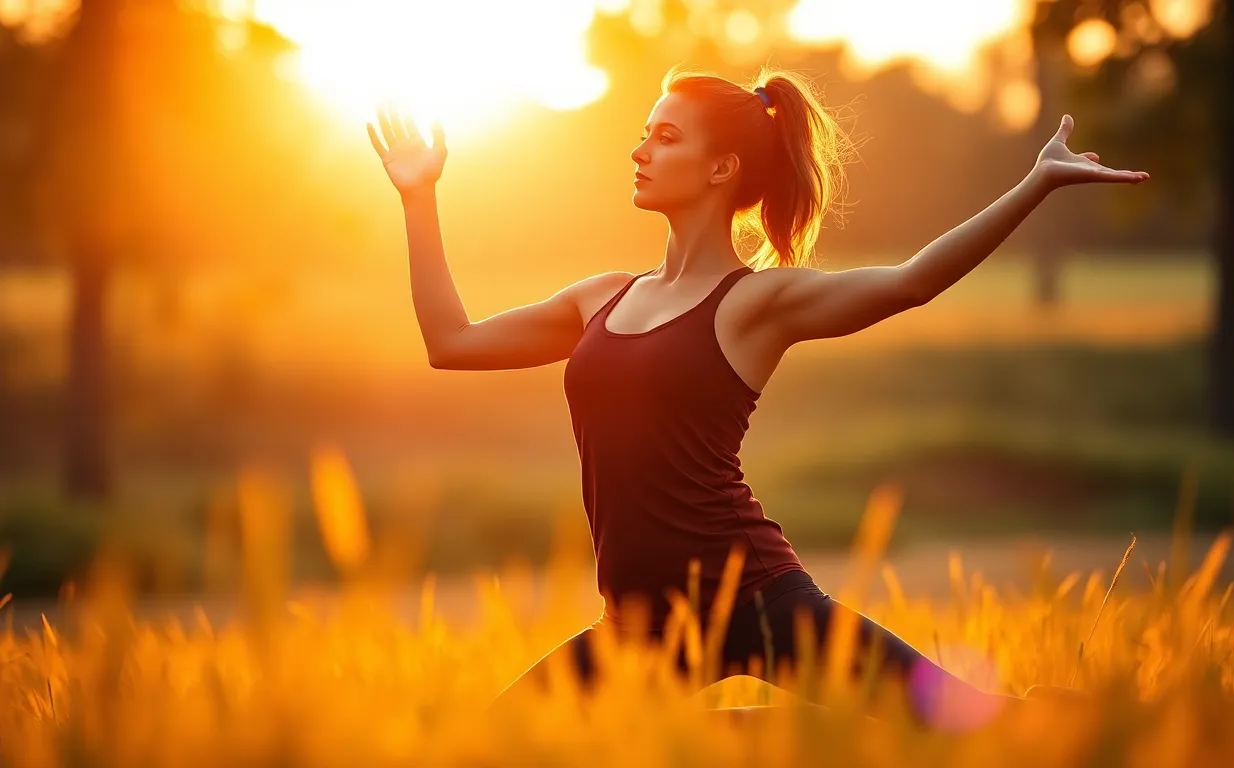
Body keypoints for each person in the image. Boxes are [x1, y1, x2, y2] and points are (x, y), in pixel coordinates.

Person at [365, 65, 1147, 728]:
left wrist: (1036, 183)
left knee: (963, 726)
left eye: (665, 136)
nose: (638, 151)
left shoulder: (755, 306)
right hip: (637, 627)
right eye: (643, 132)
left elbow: (912, 281)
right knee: (492, 747)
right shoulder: (599, 299)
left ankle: (1085, 727)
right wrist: (418, 198)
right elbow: (451, 343)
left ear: (721, 169)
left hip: (758, 601)